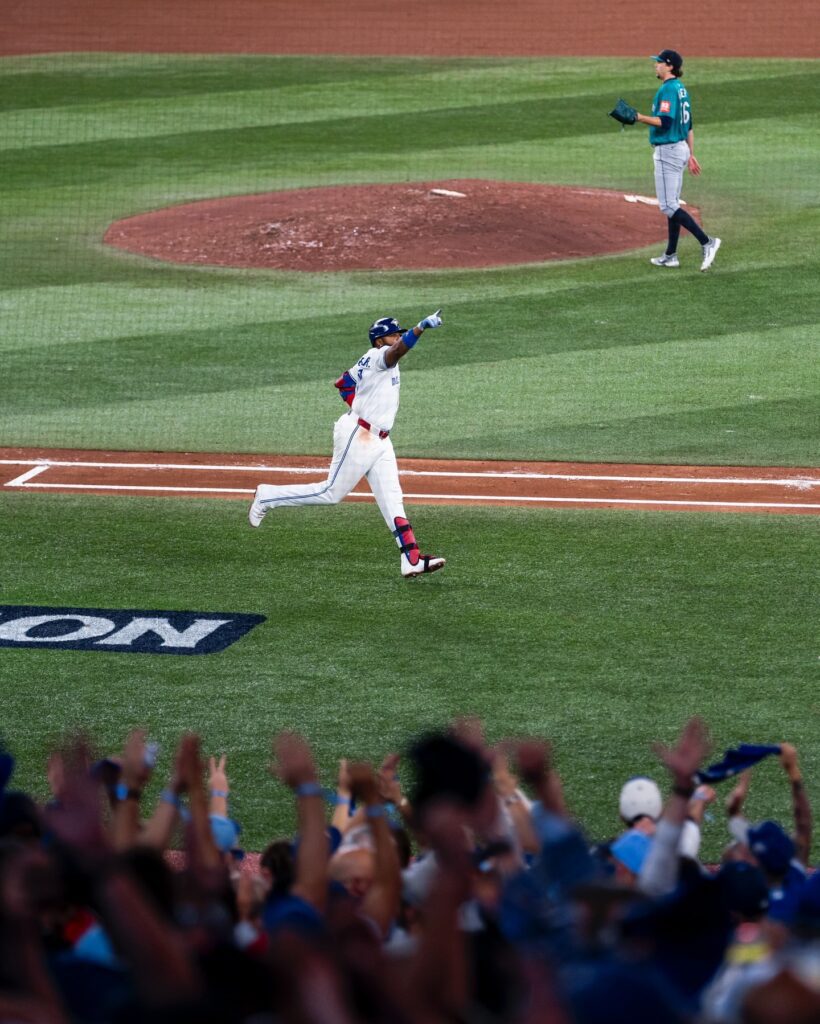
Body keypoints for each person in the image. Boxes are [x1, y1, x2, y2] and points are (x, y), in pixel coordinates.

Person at [248, 310, 446, 578]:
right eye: (393, 334)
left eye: (400, 332)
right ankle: (267, 496)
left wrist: (359, 406)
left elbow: (343, 383)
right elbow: (397, 352)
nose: (398, 336)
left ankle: (410, 559)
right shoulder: (380, 357)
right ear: (379, 341)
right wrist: (421, 327)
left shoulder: (371, 358)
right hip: (360, 436)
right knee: (331, 492)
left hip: (380, 440)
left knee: (392, 500)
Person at [633, 49, 721, 271]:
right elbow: (688, 125)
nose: (656, 66)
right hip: (680, 149)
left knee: (669, 205)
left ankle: (707, 242)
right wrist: (690, 154)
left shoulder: (669, 90)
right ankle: (670, 255)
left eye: (660, 63)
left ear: (670, 66)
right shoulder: (681, 90)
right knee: (672, 202)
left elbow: (664, 121)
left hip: (668, 152)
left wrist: (638, 117)